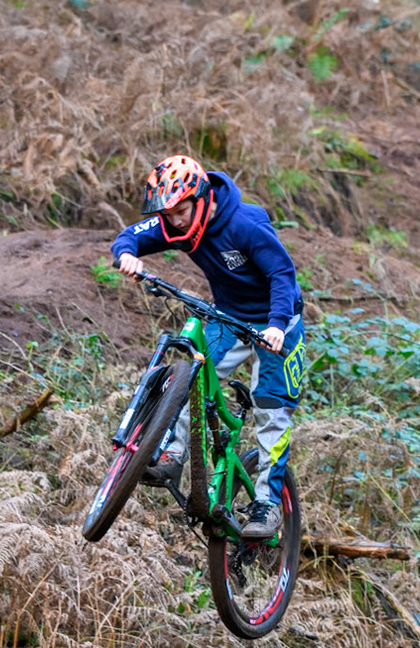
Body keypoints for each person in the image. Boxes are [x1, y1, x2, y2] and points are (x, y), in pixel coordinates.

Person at [109, 154, 307, 540]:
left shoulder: (244, 223)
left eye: (181, 212)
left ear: (201, 199)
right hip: (229, 317)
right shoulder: (175, 223)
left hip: (277, 324)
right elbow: (130, 235)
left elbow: (282, 273)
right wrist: (127, 255)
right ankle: (170, 454)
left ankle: (267, 504)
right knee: (194, 376)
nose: (176, 222)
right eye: (168, 215)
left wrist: (277, 325)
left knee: (272, 410)